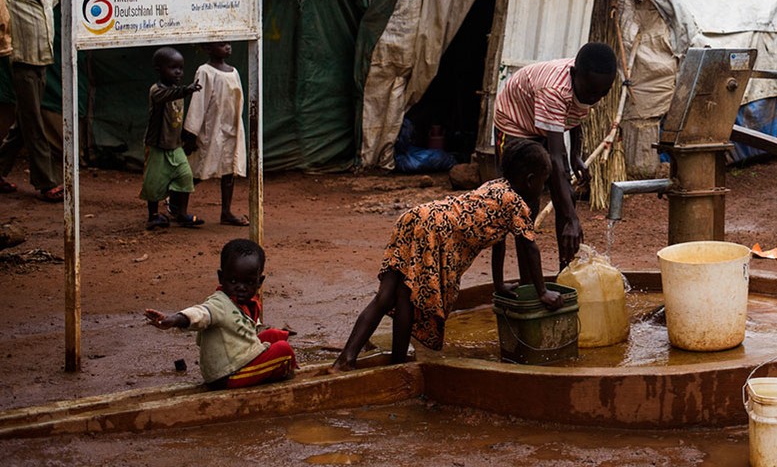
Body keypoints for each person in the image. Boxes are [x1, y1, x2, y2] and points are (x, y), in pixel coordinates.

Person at [330, 138, 563, 371]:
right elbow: (530, 247)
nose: (542, 189)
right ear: (531, 180)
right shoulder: (515, 204)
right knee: (407, 299)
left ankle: (346, 359)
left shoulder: (495, 187)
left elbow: (498, 242)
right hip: (434, 231)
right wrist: (542, 292)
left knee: (386, 296)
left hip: (415, 218)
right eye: (542, 183)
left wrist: (500, 285)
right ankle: (398, 366)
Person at [493, 42, 618, 269]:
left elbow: (576, 112)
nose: (595, 98)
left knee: (566, 196)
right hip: (516, 122)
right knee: (523, 204)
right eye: (592, 92)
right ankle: (528, 283)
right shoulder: (555, 91)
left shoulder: (589, 85)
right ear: (573, 75)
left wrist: (575, 156)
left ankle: (565, 271)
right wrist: (572, 219)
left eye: (603, 93)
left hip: (545, 124)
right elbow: (554, 159)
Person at [144, 238, 297, 389]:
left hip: (238, 360)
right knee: (283, 350)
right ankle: (279, 374)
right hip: (227, 374)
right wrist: (175, 319)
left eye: (249, 283)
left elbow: (247, 328)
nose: (241, 288)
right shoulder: (219, 303)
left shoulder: (247, 303)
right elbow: (201, 313)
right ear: (221, 278)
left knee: (275, 335)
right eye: (233, 281)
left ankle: (268, 370)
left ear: (259, 282)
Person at [0, 0, 63, 201]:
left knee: (22, 124)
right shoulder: (11, 0)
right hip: (23, 68)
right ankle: (46, 182)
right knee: (35, 124)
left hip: (43, 67)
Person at [183, 42, 248, 226]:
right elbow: (198, 102)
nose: (227, 47)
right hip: (210, 128)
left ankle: (226, 212)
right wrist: (191, 133)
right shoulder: (205, 71)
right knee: (197, 169)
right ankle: (178, 206)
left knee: (229, 171)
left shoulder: (234, 72)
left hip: (231, 129)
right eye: (221, 44)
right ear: (208, 48)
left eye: (228, 43)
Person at [141, 47, 203, 230]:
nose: (178, 72)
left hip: (175, 145)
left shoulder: (178, 91)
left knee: (185, 176)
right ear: (159, 69)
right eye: (173, 67)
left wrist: (185, 136)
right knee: (153, 182)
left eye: (181, 68)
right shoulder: (157, 91)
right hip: (157, 145)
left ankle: (181, 213)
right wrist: (187, 90)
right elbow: (167, 96)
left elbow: (176, 116)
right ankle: (153, 216)